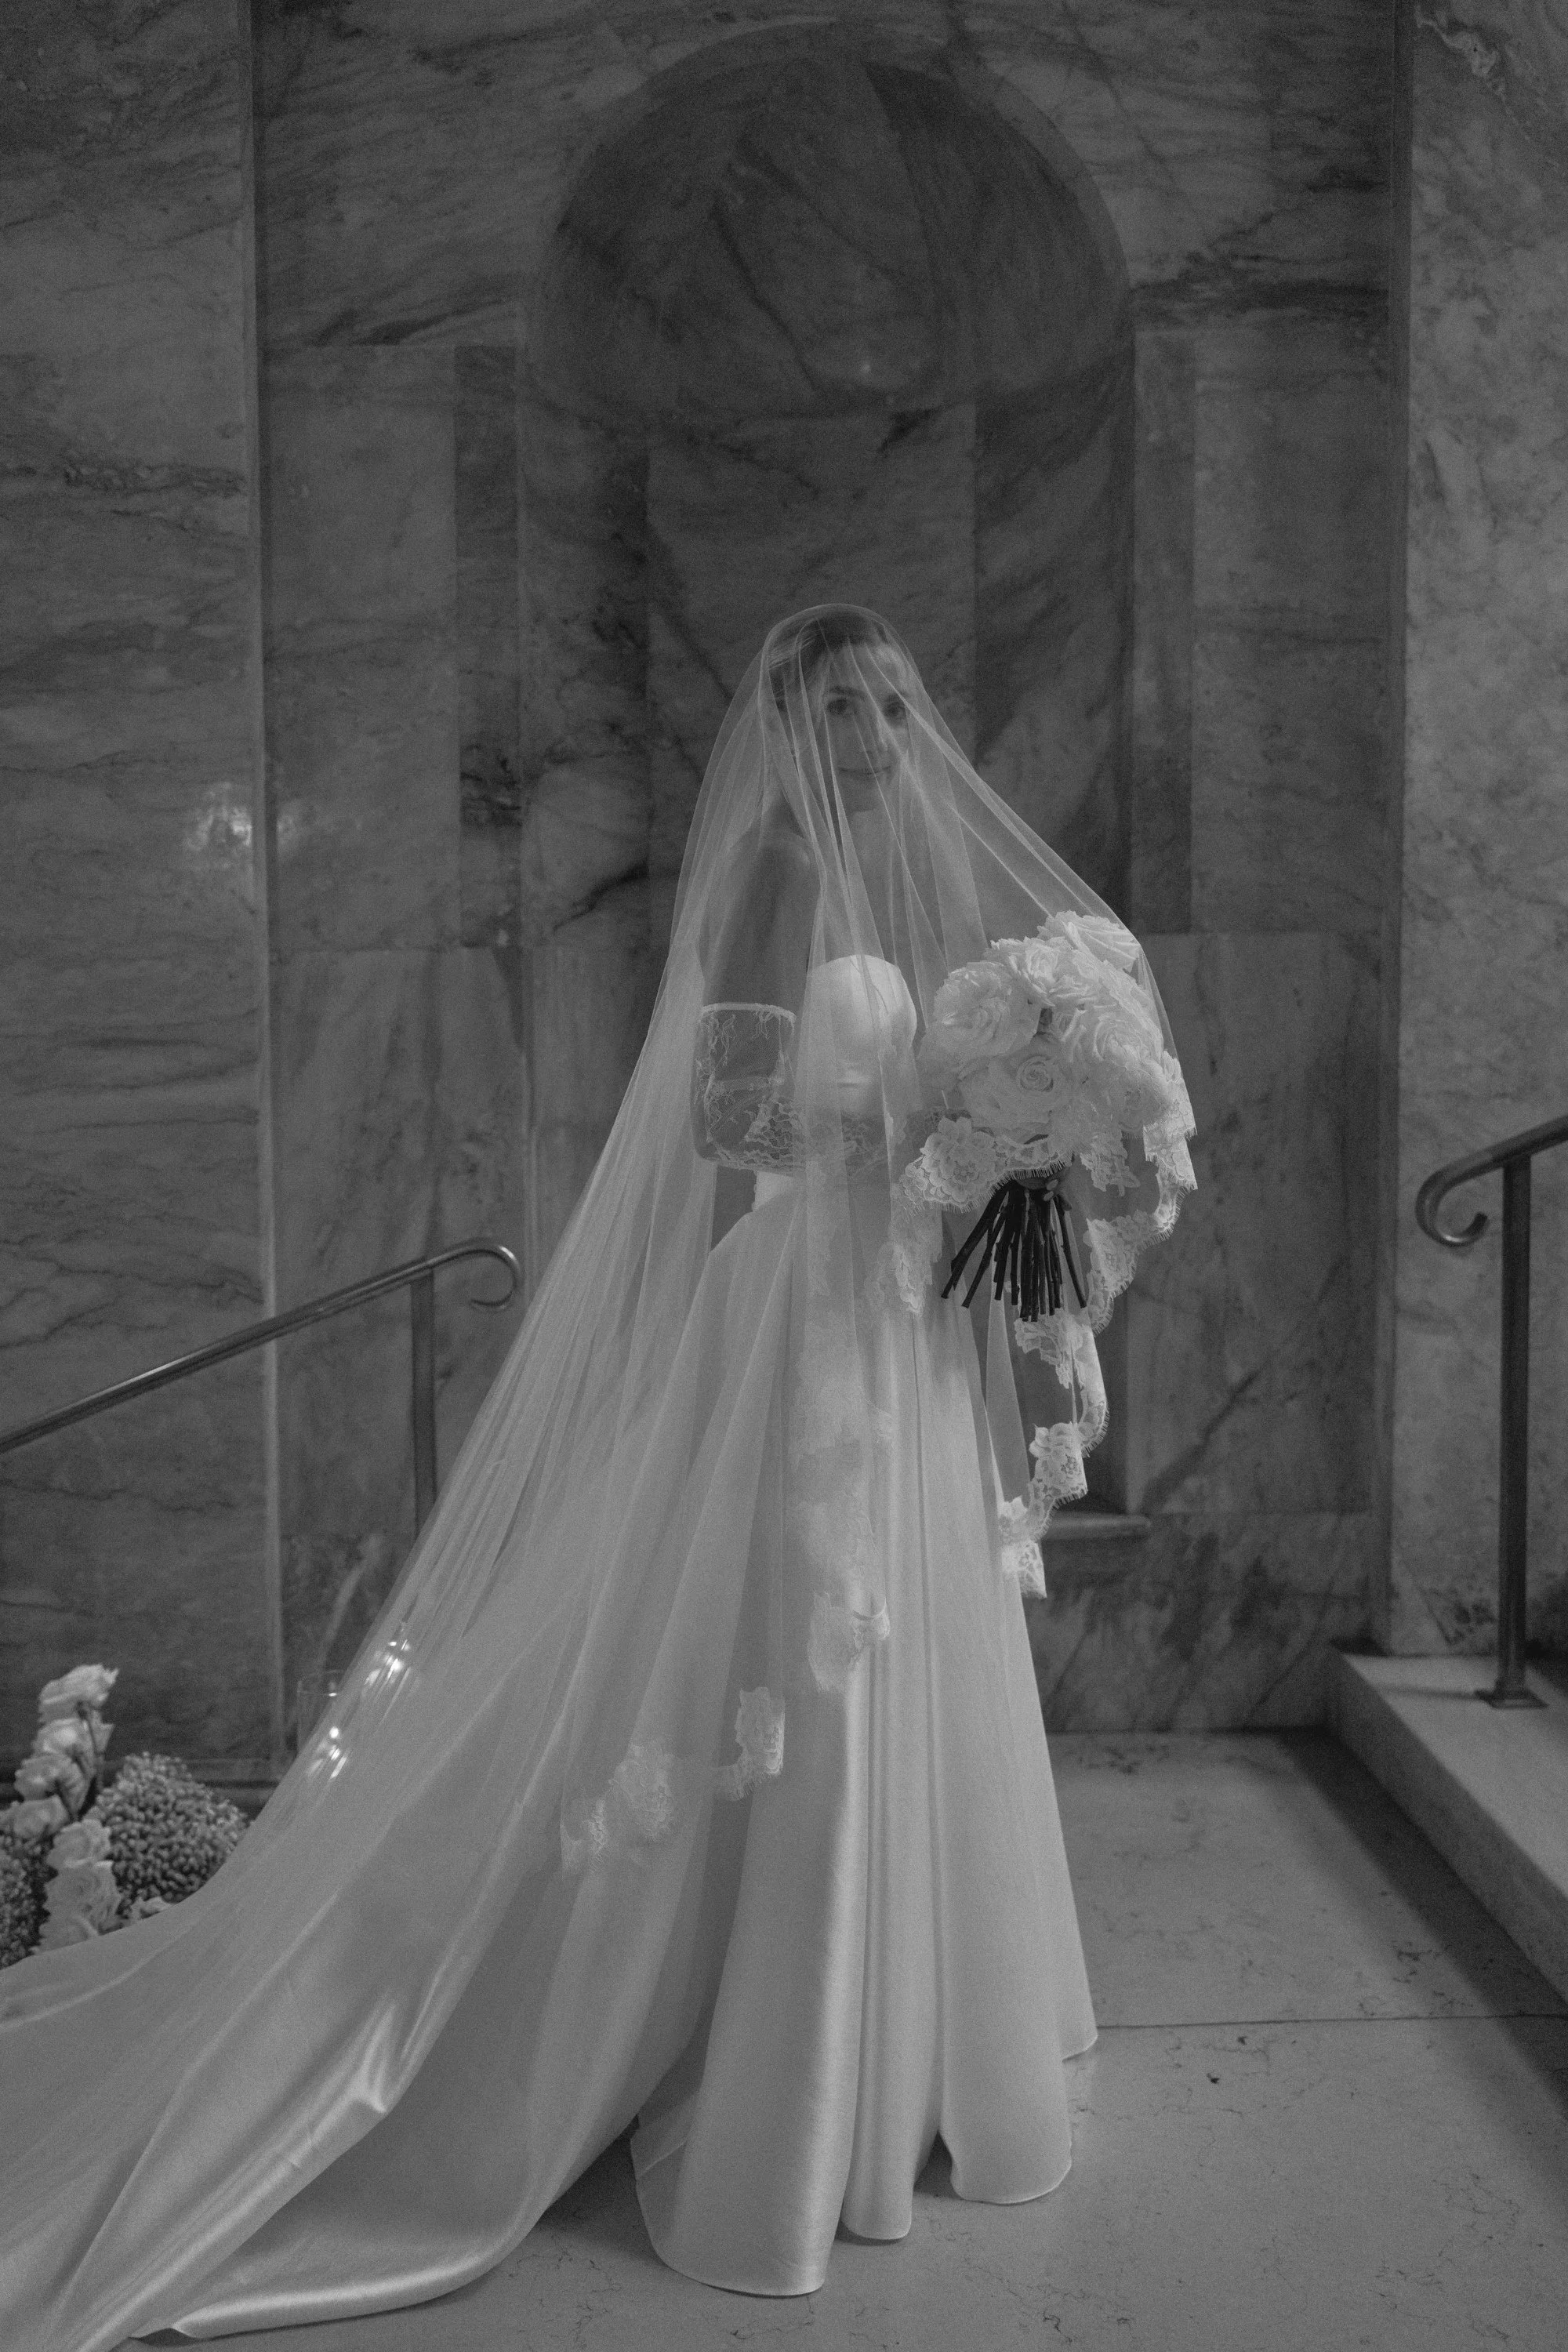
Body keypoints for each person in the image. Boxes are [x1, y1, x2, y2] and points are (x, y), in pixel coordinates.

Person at [0, 607, 1194, 2345]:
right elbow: (730, 1114)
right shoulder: (787, 864)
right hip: (808, 1311)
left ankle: (921, 2023)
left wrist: (1018, 1136)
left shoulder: (905, 877)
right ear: (791, 725)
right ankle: (794, 2061)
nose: (879, 733)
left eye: (896, 702)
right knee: (810, 1646)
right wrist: (946, 1140)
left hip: (905, 1316)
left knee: (911, 1638)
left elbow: (929, 1107)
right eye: (846, 706)